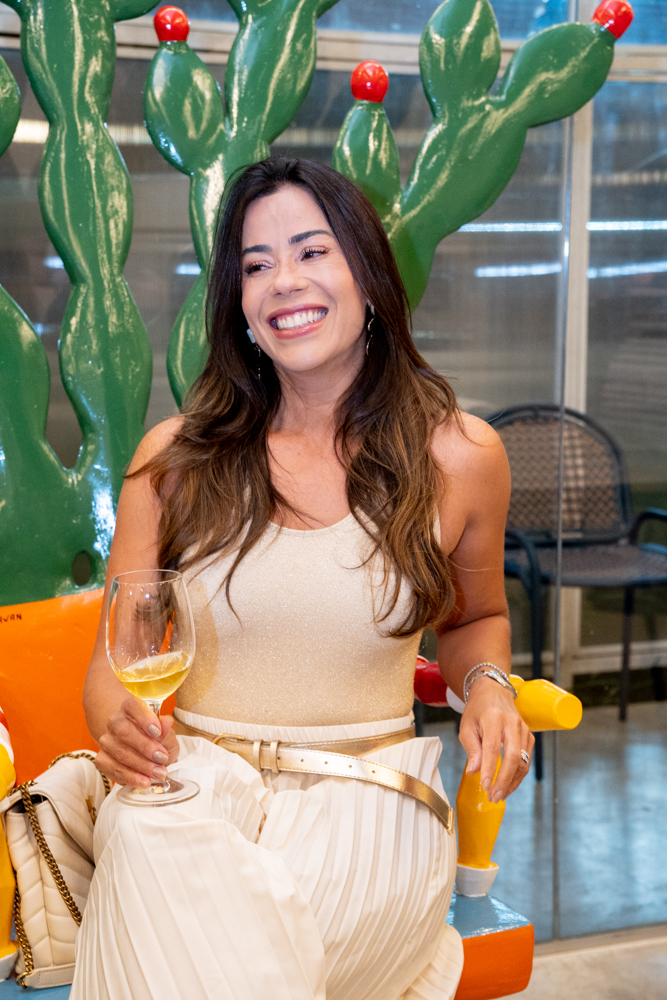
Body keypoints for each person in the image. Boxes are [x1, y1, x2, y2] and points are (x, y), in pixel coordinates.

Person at [74, 157, 534, 1000]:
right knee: (145, 847)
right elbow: (118, 655)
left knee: (203, 956)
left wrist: (490, 686)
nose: (284, 280)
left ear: (368, 275)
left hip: (368, 801)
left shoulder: (461, 455)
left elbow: (475, 620)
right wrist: (118, 726)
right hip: (193, 790)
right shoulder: (173, 461)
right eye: (255, 265)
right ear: (239, 305)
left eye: (312, 251)